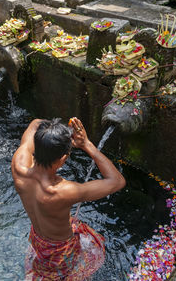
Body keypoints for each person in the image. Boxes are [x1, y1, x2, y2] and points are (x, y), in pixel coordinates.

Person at [11, 117, 126, 280]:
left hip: (37, 237)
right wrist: (86, 144)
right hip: (60, 250)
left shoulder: (18, 164)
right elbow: (117, 181)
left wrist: (56, 132)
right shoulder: (63, 191)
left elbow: (36, 123)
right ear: (63, 159)